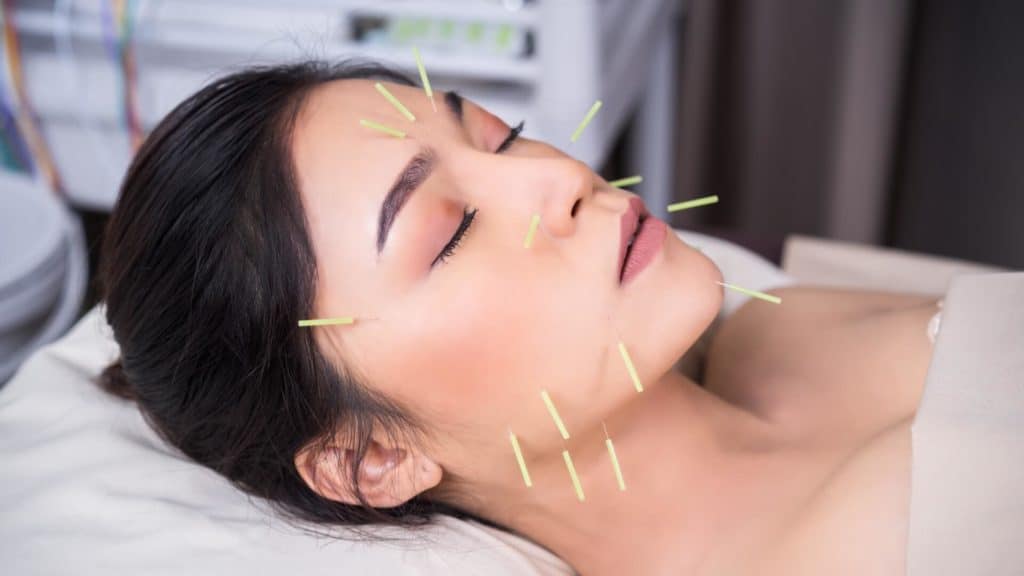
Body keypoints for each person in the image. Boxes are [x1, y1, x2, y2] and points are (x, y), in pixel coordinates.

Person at [97, 60, 939, 575]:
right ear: (372, 460)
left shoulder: (778, 323)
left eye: (501, 139)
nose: (558, 178)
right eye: (451, 230)